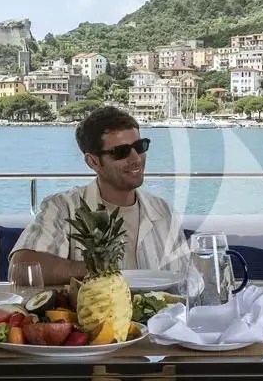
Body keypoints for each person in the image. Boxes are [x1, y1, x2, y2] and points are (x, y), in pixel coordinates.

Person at [10, 106, 190, 280]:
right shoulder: (64, 207)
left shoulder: (164, 211)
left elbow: (190, 282)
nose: (136, 158)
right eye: (121, 152)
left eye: (140, 146)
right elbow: (21, 268)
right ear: (93, 162)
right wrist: (100, 268)